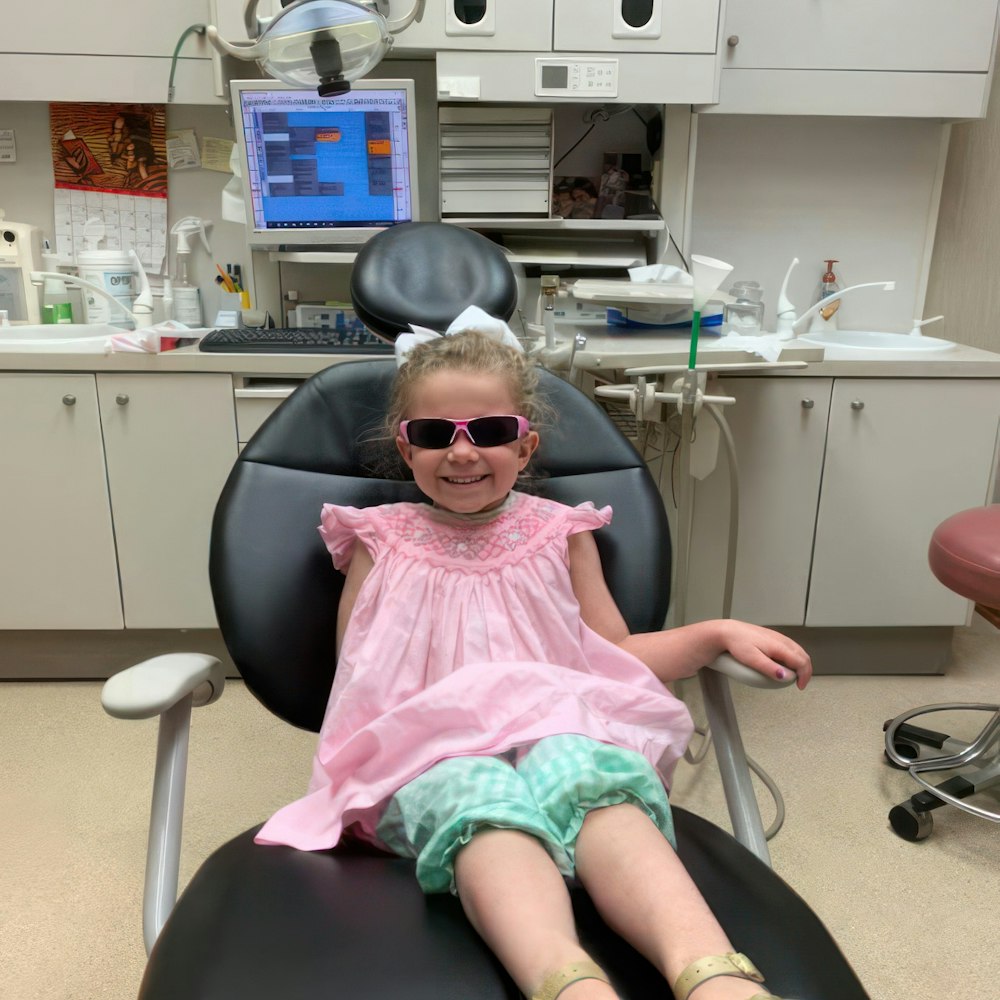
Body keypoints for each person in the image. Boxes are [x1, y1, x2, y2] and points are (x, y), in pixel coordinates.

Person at [256, 319, 813, 1000]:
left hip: (558, 725)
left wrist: (714, 634)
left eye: (488, 431)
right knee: (481, 806)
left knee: (595, 781)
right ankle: (570, 986)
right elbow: (360, 672)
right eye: (435, 435)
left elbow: (616, 654)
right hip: (433, 747)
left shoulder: (558, 531)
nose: (462, 453)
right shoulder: (379, 539)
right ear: (406, 449)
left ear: (526, 444)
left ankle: (714, 976)